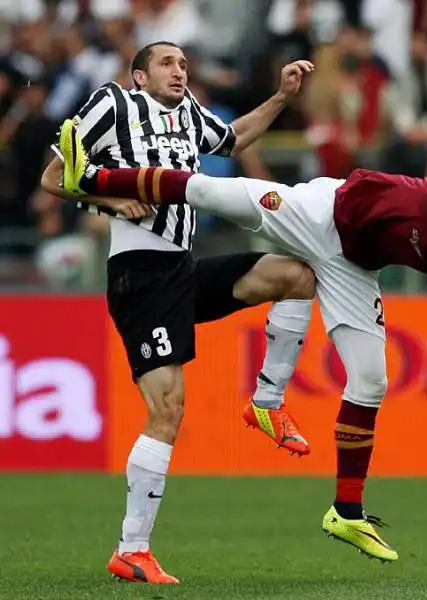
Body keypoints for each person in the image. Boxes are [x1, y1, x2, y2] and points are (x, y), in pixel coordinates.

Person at [57, 123, 427, 564]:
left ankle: (345, 511)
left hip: (352, 266)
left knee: (372, 379)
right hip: (321, 211)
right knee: (210, 191)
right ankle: (93, 177)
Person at [41, 41, 317, 584]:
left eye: (185, 64)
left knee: (296, 275)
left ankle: (266, 403)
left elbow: (234, 140)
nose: (180, 71)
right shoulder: (112, 104)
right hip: (140, 272)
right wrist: (110, 201)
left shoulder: (190, 112)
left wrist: (282, 96)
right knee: (168, 410)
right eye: (167, 63)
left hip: (184, 268)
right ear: (139, 75)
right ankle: (132, 549)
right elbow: (55, 177)